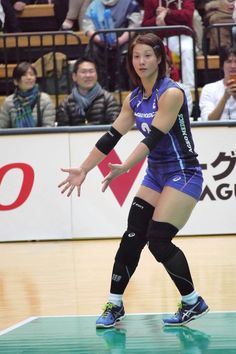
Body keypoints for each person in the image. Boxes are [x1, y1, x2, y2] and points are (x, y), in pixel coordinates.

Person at [58, 32, 209, 327]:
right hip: (156, 173)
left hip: (183, 172)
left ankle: (192, 301)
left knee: (159, 241)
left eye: (147, 56)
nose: (141, 61)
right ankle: (114, 304)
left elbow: (153, 138)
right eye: (136, 56)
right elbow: (111, 136)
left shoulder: (172, 93)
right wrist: (84, 168)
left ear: (159, 58)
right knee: (132, 237)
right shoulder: (135, 98)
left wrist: (125, 167)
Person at [82, 0, 141, 90]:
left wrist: (120, 40)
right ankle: (99, 89)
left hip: (124, 39)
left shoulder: (131, 4)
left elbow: (134, 26)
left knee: (129, 52)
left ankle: (123, 89)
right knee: (92, 50)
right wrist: (98, 40)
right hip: (100, 41)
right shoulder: (93, 5)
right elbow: (87, 26)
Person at [142, 0, 196, 88]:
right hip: (160, 38)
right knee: (154, 54)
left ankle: (189, 87)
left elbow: (188, 16)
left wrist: (168, 12)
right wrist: (157, 19)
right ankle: (156, 87)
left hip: (183, 36)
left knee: (187, 50)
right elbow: (145, 24)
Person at [56, 57, 121, 126]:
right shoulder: (66, 104)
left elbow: (115, 127)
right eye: (83, 72)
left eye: (91, 71)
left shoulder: (108, 100)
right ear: (74, 76)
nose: (88, 75)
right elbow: (63, 132)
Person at [0, 61, 55, 128]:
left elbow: (49, 128)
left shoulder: (45, 99)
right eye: (24, 75)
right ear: (15, 81)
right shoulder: (8, 102)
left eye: (32, 74)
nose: (29, 78)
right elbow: (2, 128)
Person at [199, 45, 236, 120]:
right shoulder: (209, 89)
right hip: (217, 131)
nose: (233, 66)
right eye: (229, 62)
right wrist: (225, 98)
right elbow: (208, 121)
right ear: (222, 65)